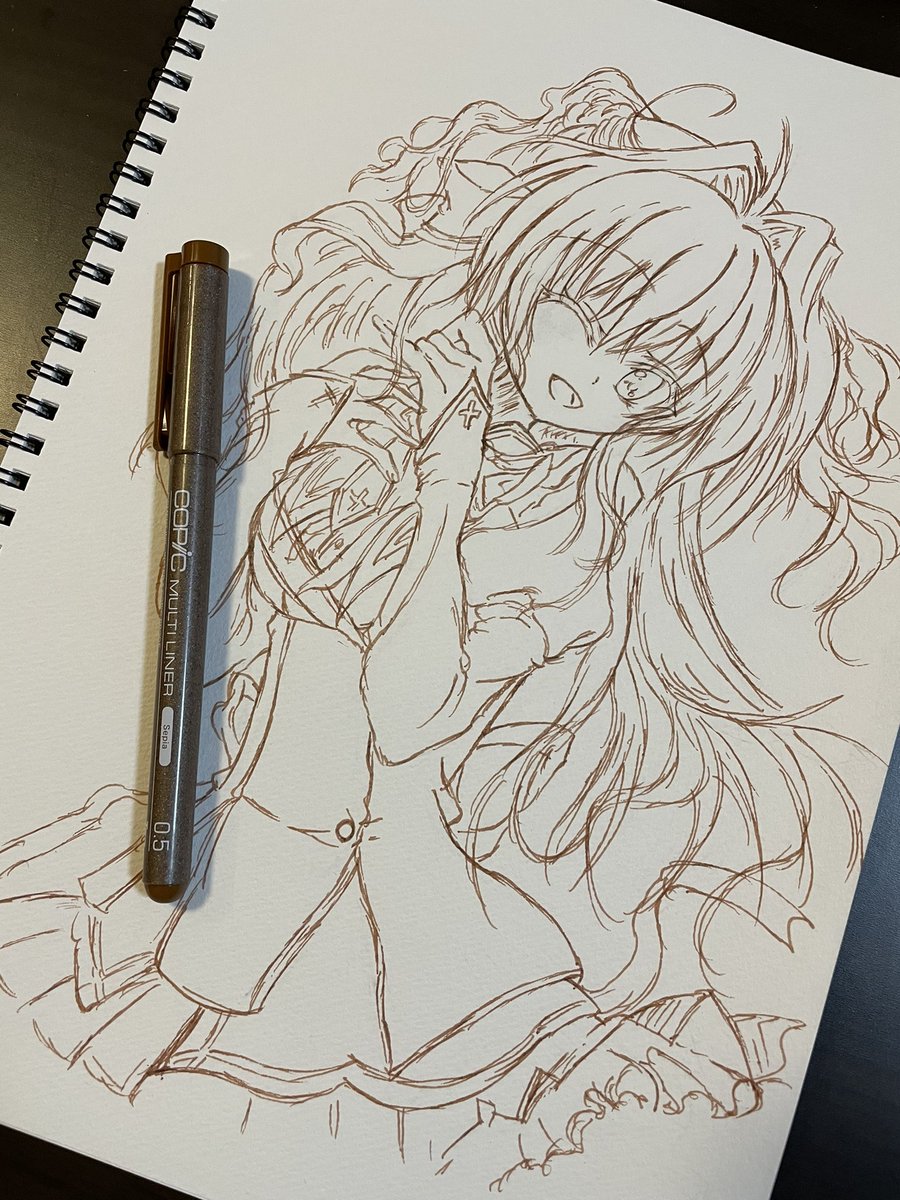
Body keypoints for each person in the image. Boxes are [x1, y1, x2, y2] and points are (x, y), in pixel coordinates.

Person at [1, 68, 897, 1171]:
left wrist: (445, 487)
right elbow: (275, 576)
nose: (599, 383)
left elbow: (406, 709)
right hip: (235, 847)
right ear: (534, 274)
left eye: (652, 374)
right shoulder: (383, 408)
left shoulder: (576, 544)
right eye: (594, 319)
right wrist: (395, 438)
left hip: (401, 926)